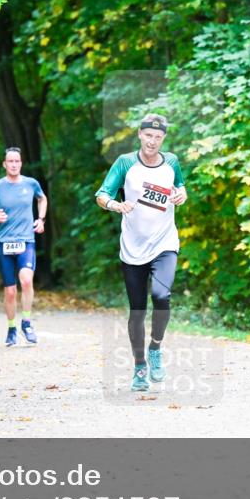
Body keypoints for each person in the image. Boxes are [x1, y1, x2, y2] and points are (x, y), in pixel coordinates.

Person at [95, 113, 187, 391]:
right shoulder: (125, 163)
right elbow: (102, 195)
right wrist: (116, 205)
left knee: (162, 295)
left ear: (163, 139)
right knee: (137, 311)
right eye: (148, 135)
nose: (153, 141)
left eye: (158, 137)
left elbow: (180, 187)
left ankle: (155, 348)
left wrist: (183, 194)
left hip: (164, 244)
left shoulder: (171, 161)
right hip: (133, 249)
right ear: (140, 134)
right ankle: (139, 368)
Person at [0, 147, 48, 347]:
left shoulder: (31, 183)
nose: (14, 164)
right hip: (4, 242)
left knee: (26, 281)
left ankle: (26, 323)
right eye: (10, 161)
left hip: (26, 240)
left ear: (21, 163)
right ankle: (11, 329)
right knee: (10, 291)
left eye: (17, 161)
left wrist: (41, 219)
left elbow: (42, 198)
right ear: (4, 164)